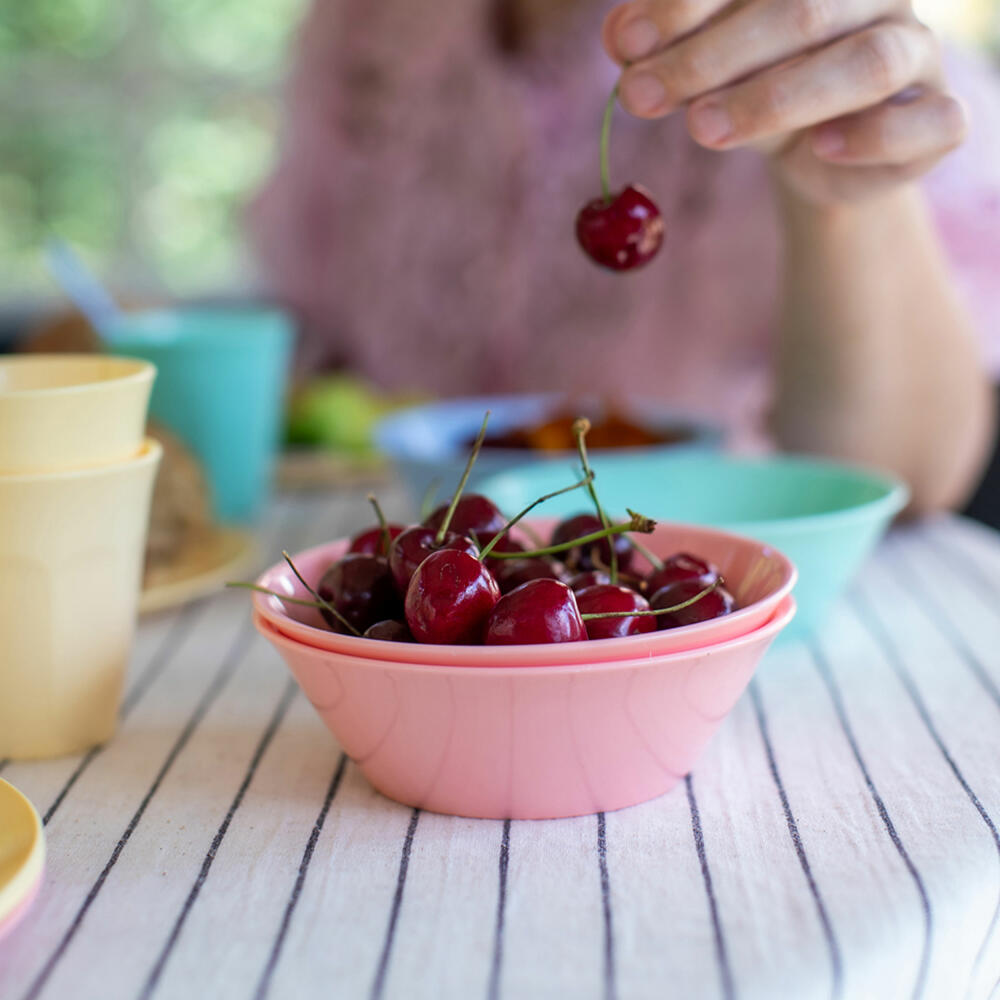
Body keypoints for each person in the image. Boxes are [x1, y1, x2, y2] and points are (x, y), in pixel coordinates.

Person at [251, 0, 1000, 514]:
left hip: (687, 621)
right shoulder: (365, 34)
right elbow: (316, 343)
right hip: (426, 600)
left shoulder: (822, 42)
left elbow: (906, 478)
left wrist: (840, 188)